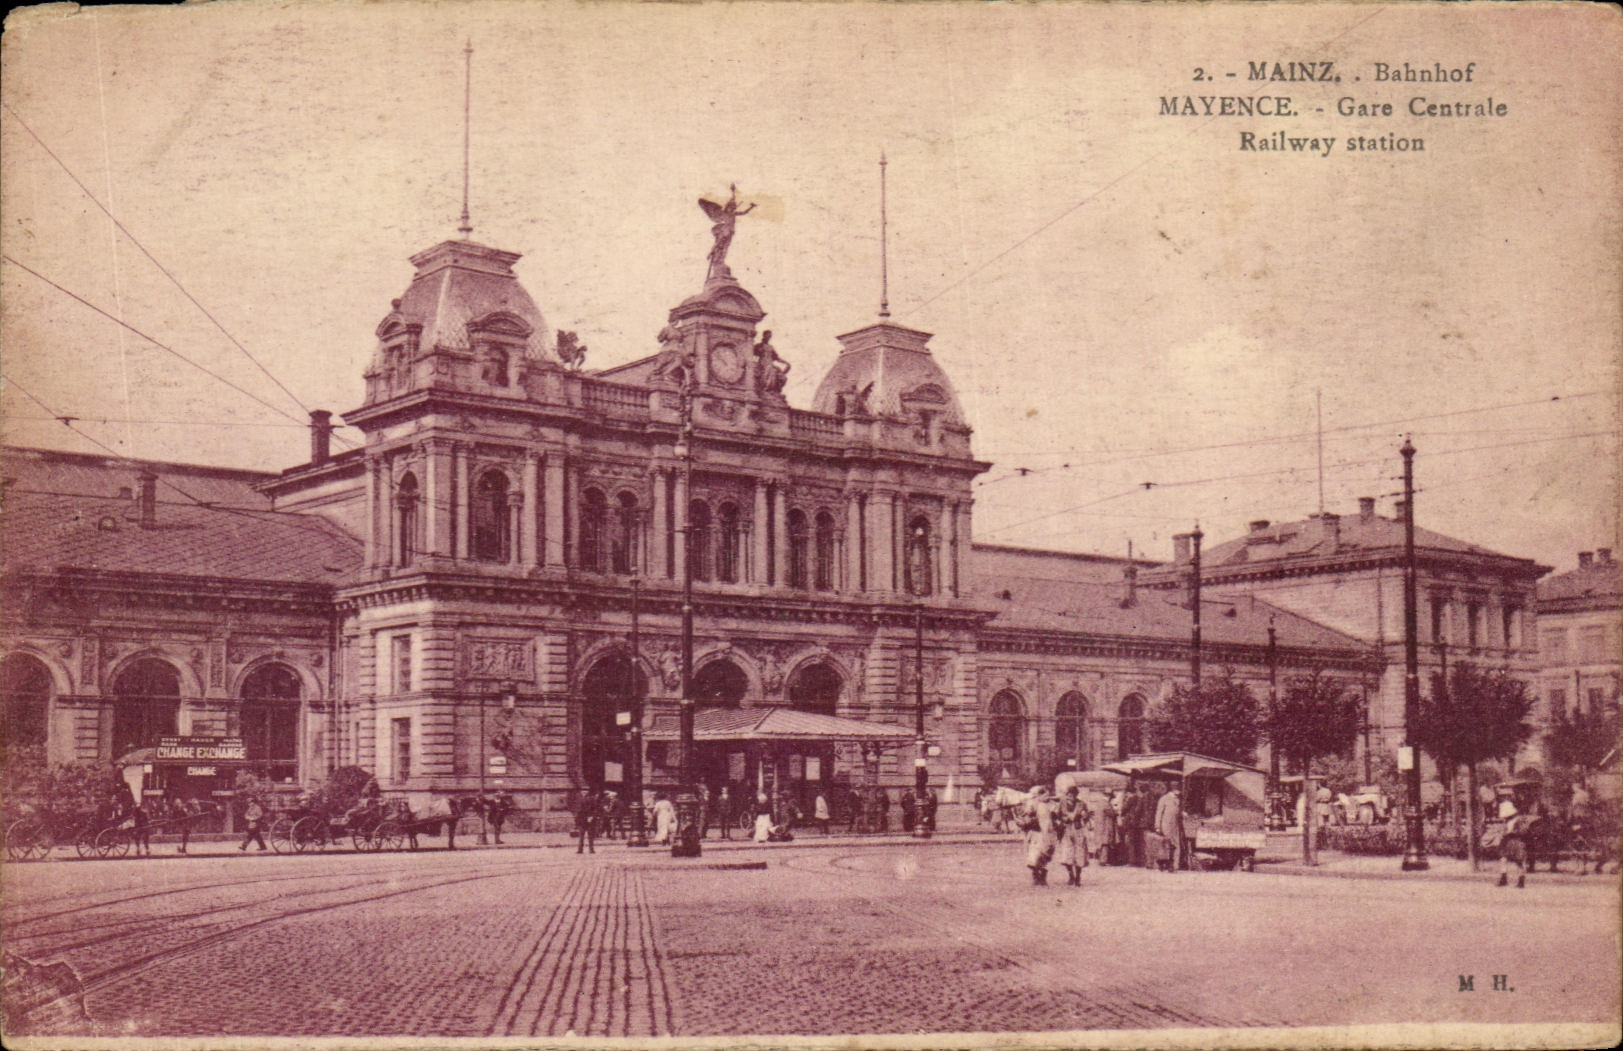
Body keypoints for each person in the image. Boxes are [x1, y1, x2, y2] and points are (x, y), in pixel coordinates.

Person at [1020, 785, 1059, 886]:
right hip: (1036, 833)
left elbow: (1057, 816)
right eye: (1043, 795)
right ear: (1039, 795)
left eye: (1047, 795)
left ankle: (1042, 876)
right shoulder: (1033, 803)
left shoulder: (1052, 804)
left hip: (1048, 833)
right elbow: (1026, 815)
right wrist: (1028, 818)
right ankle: (1036, 875)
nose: (1046, 797)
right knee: (1034, 856)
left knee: (1044, 855)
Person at [1054, 786, 1089, 885]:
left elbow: (1086, 817)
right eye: (1069, 795)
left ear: (1076, 795)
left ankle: (1078, 877)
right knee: (1067, 853)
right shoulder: (1062, 803)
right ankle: (1071, 875)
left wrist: (1084, 816)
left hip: (1078, 830)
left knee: (1079, 853)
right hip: (1066, 829)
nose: (1070, 797)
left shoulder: (1081, 804)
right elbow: (1056, 816)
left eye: (1073, 795)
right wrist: (1061, 821)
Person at [1497, 794, 1528, 888]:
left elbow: (1523, 831)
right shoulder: (1507, 821)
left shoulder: (1518, 820)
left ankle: (1521, 880)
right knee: (1503, 859)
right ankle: (1504, 878)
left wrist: (1512, 832)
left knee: (1519, 861)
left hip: (1516, 840)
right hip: (1508, 841)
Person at [1155, 785, 1185, 872]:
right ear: (1174, 790)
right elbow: (1159, 813)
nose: (1179, 792)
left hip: (1175, 826)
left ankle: (1175, 866)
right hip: (1166, 825)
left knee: (1176, 845)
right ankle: (1163, 864)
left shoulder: (1178, 799)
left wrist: (1182, 813)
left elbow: (1177, 811)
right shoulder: (1164, 799)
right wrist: (1157, 826)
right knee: (1167, 845)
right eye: (1178, 790)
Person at [1119, 781, 1146, 868]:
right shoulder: (1140, 798)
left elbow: (1124, 809)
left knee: (1130, 842)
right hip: (1137, 823)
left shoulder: (1131, 799)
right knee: (1136, 842)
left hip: (1130, 822)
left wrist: (1121, 810)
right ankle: (1138, 860)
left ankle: (1132, 861)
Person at [1095, 790, 1118, 865]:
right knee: (1105, 843)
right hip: (1106, 825)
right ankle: (1103, 860)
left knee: (1102, 842)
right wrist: (1116, 812)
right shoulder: (1106, 804)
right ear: (1109, 796)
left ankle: (1101, 859)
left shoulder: (1099, 803)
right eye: (1111, 797)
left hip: (1100, 825)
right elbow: (1111, 814)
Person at [575, 790, 602, 854]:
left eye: (585, 792)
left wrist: (592, 816)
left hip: (589, 820)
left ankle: (591, 849)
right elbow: (577, 811)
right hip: (582, 820)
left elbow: (595, 809)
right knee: (581, 836)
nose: (584, 793)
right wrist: (577, 821)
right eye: (582, 792)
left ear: (587, 793)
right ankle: (580, 850)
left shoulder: (592, 800)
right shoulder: (579, 800)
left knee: (590, 836)